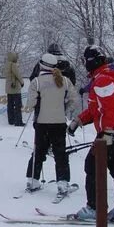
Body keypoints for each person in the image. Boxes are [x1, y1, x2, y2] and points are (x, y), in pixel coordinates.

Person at [68, 45, 114, 221]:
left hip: (111, 132)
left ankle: (95, 208)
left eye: (85, 61)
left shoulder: (103, 80)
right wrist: (78, 120)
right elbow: (97, 110)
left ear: (91, 62)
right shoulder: (102, 78)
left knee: (92, 165)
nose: (84, 64)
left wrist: (108, 134)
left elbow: (112, 109)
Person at [24, 53, 77, 195]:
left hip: (42, 123)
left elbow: (31, 104)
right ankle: (63, 182)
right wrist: (64, 109)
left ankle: (33, 180)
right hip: (59, 122)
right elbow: (73, 100)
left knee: (39, 151)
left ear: (41, 64)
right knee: (60, 153)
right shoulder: (65, 81)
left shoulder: (37, 82)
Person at [4, 51, 24, 126]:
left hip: (9, 88)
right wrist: (22, 82)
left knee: (10, 105)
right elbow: (17, 74)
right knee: (18, 105)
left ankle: (11, 120)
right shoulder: (14, 65)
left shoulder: (7, 65)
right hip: (15, 88)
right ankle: (18, 121)